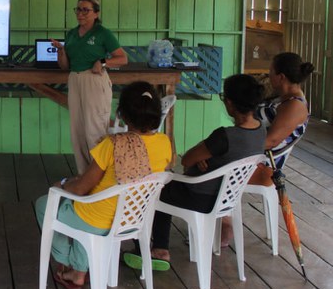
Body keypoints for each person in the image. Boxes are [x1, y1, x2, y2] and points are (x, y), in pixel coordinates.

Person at [35, 81, 172, 289]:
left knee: (47, 204)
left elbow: (82, 188)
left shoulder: (111, 144)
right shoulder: (164, 142)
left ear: (123, 115)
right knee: (84, 206)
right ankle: (80, 271)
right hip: (133, 218)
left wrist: (62, 185)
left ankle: (71, 263)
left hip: (99, 218)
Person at [126, 74, 266, 269]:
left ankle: (158, 249)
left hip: (200, 195)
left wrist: (201, 158)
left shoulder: (224, 136)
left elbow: (188, 159)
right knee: (167, 187)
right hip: (227, 198)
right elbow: (230, 159)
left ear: (230, 103)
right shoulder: (261, 130)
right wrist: (208, 159)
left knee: (156, 189)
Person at [51, 0, 128, 175]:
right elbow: (65, 66)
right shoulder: (71, 34)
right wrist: (61, 51)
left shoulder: (102, 33)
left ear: (96, 13)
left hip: (94, 81)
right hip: (75, 79)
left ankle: (101, 176)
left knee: (95, 130)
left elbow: (123, 58)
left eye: (86, 9)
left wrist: (103, 62)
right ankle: (84, 175)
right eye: (78, 9)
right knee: (77, 131)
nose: (81, 13)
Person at [250, 52, 314, 187]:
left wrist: (229, 148)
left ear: (281, 77)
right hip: (249, 157)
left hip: (261, 166)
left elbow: (269, 141)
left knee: (201, 170)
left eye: (271, 71)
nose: (268, 75)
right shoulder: (282, 97)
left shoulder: (295, 106)